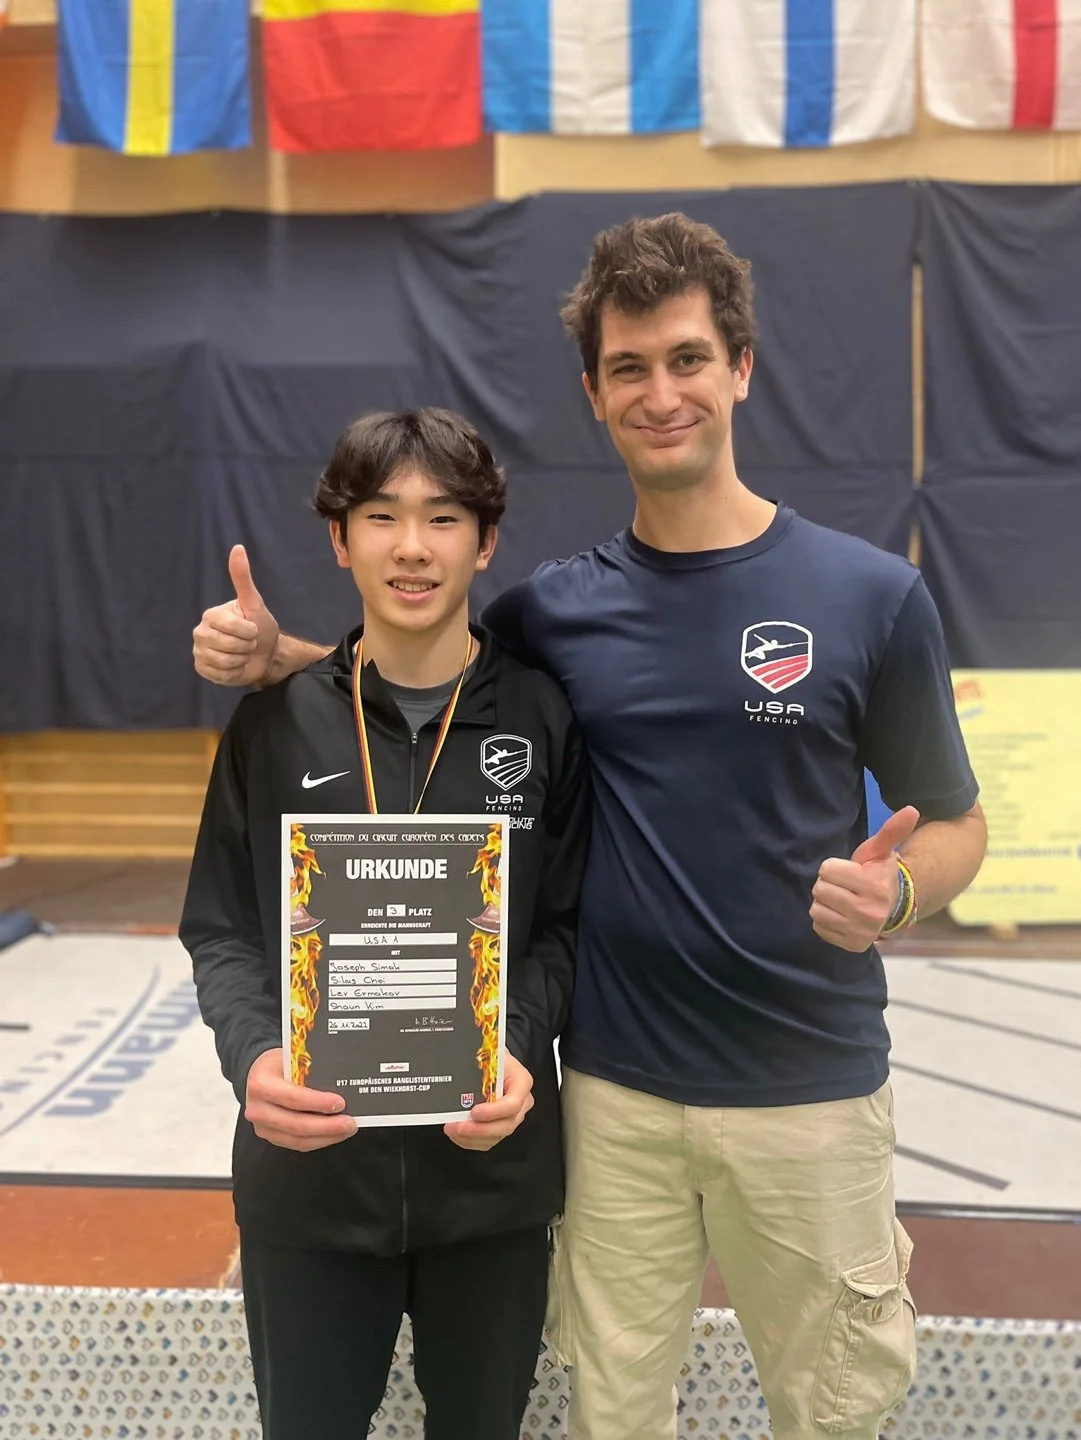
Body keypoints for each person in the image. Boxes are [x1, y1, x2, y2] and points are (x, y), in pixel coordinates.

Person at [191, 216, 987, 1440]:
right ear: (594, 393)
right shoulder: (553, 616)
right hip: (610, 1097)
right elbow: (417, 675)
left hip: (810, 1093)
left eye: (684, 358)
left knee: (830, 1412)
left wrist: (897, 894)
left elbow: (959, 826)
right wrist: (280, 660)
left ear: (740, 367)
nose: (659, 392)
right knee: (613, 1416)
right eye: (629, 368)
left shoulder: (870, 595)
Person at [180, 407, 590, 1440]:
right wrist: (255, 1056)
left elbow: (566, 926)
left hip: (488, 1185)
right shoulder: (273, 724)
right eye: (382, 516)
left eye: (444, 517)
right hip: (309, 1184)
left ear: (485, 540)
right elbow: (221, 928)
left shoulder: (541, 719)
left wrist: (516, 1040)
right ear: (340, 537)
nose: (413, 547)